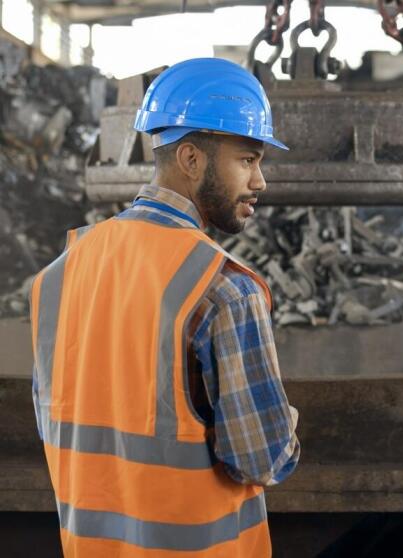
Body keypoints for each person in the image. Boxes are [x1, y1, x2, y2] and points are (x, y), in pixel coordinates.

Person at [29, 58, 300, 557]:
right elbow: (263, 458)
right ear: (192, 160)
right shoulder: (223, 289)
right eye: (247, 159)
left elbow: (58, 422)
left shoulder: (59, 274)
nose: (260, 181)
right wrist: (286, 424)